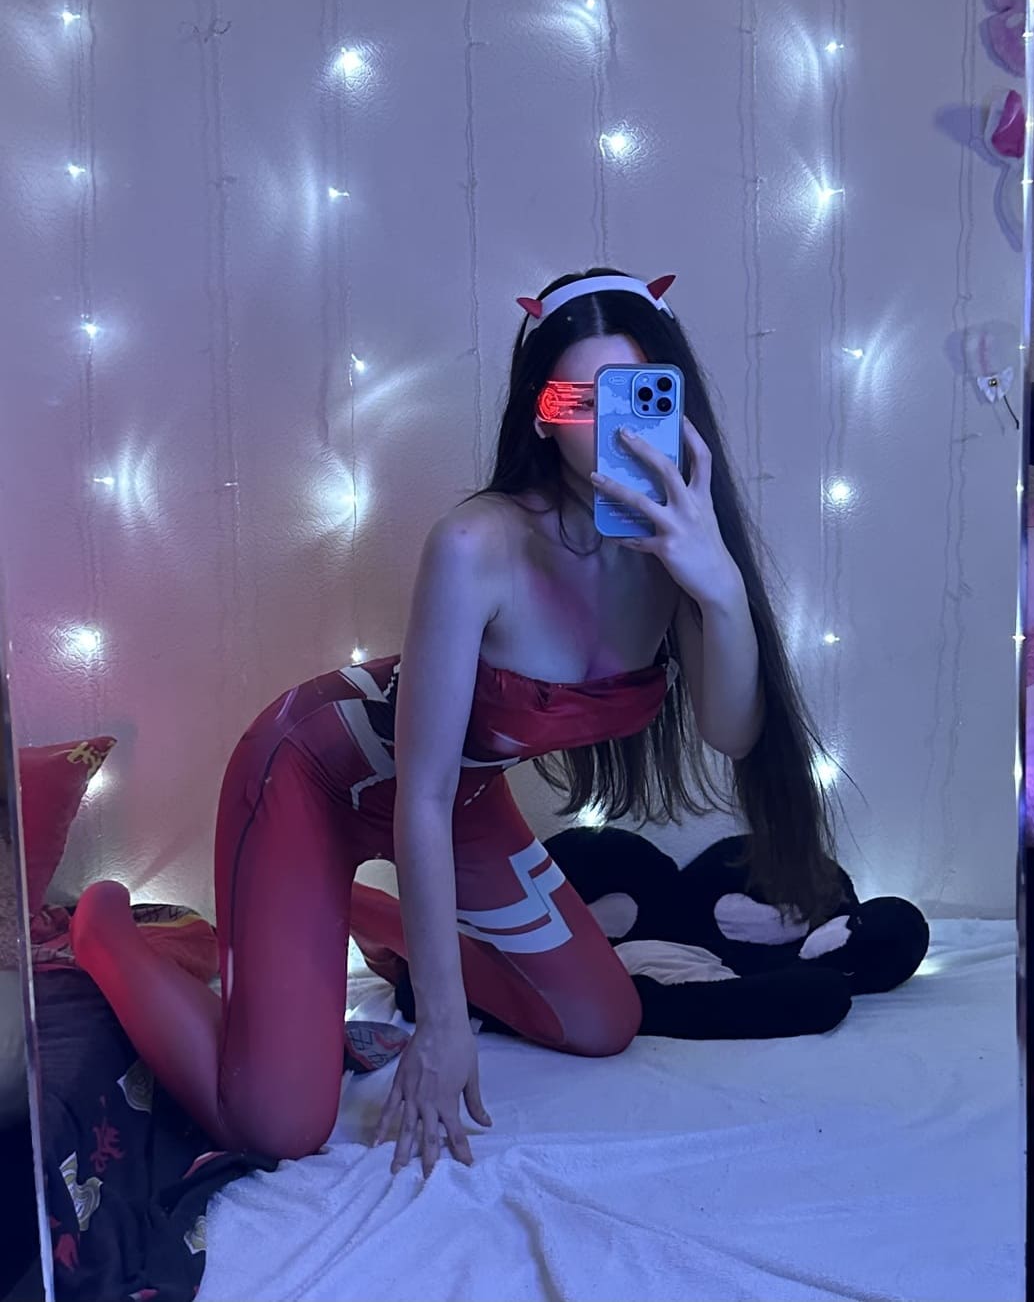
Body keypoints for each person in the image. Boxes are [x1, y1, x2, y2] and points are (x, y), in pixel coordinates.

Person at [71, 268, 840, 1176]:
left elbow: (732, 733)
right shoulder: (478, 543)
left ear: (674, 403)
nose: (609, 427)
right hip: (313, 777)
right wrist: (440, 1024)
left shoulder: (677, 553)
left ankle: (361, 913)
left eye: (634, 395)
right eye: (575, 401)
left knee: (603, 1022)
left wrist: (719, 588)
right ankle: (103, 927)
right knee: (277, 1125)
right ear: (540, 416)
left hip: (456, 797)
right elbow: (421, 792)